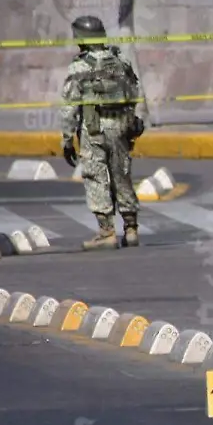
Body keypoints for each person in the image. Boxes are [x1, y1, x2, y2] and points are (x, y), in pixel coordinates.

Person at [60, 15, 145, 250]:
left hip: (94, 128)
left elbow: (69, 107)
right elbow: (134, 93)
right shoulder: (120, 61)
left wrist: (67, 140)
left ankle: (107, 232)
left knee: (97, 177)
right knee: (122, 174)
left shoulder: (79, 66)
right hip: (121, 126)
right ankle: (131, 229)